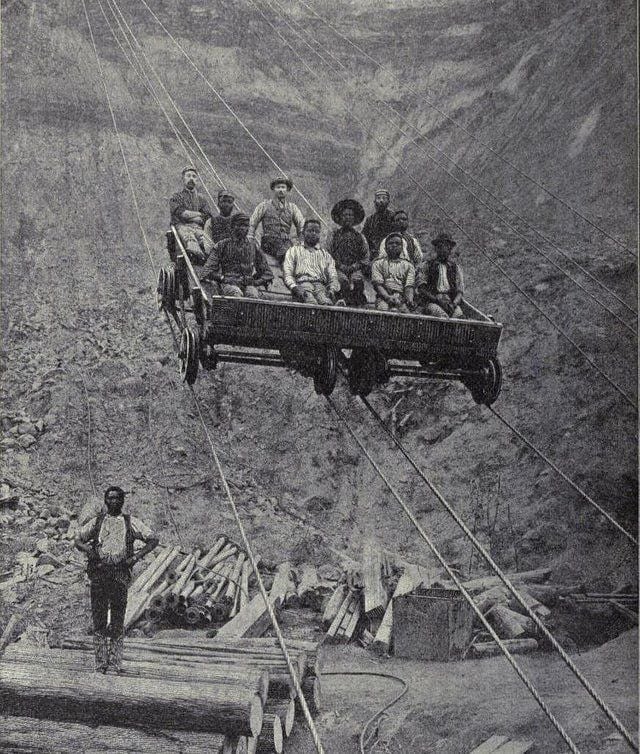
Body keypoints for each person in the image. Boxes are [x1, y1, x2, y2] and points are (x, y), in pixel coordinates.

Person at [75, 486, 159, 673]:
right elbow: (78, 539)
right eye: (110, 498)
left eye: (117, 498)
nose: (113, 501)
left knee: (118, 619)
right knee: (99, 619)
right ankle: (100, 663)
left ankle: (114, 663)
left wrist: (135, 558)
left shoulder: (131, 522)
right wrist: (88, 550)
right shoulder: (97, 522)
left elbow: (153, 539)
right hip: (99, 574)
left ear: (122, 501)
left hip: (120, 575)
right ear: (105, 501)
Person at [199, 212, 273, 298]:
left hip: (247, 285)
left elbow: (267, 273)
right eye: (239, 225)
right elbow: (207, 271)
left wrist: (255, 282)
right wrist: (224, 278)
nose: (242, 228)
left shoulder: (253, 247)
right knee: (235, 293)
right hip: (228, 284)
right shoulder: (222, 245)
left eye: (245, 226)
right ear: (232, 227)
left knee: (253, 295)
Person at [283, 218, 340, 305]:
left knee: (326, 303)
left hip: (320, 286)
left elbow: (333, 275)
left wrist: (332, 289)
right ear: (303, 233)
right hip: (302, 285)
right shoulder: (294, 251)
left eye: (316, 231)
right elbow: (287, 273)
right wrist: (294, 287)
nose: (313, 234)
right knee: (310, 303)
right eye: (310, 231)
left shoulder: (325, 255)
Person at [248, 176, 305, 264]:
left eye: (283, 187)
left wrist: (302, 241)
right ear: (273, 189)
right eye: (278, 187)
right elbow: (252, 223)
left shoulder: (293, 208)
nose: (281, 190)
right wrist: (250, 238)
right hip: (269, 241)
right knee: (287, 254)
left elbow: (301, 225)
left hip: (286, 242)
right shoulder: (264, 206)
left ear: (287, 190)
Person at [327, 199, 369, 307]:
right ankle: (341, 300)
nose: (348, 217)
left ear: (354, 218)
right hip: (338, 267)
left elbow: (365, 255)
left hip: (355, 268)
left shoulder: (360, 237)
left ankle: (357, 303)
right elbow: (328, 253)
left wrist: (356, 266)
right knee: (342, 281)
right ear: (340, 218)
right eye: (345, 215)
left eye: (350, 215)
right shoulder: (333, 235)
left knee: (357, 280)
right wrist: (339, 265)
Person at [169, 166, 214, 264]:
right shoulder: (176, 197)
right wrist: (199, 215)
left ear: (197, 180)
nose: (191, 179)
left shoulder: (202, 199)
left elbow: (207, 217)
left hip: (199, 228)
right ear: (183, 179)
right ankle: (196, 256)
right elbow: (182, 214)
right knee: (191, 242)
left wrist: (191, 216)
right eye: (188, 176)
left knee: (209, 244)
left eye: (194, 176)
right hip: (182, 227)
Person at [416, 232, 465, 318]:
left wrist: (453, 304)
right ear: (436, 248)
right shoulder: (427, 265)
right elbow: (421, 288)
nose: (446, 249)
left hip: (450, 302)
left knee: (460, 317)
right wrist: (437, 300)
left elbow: (460, 291)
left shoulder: (455, 268)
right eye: (442, 246)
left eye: (448, 247)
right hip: (432, 301)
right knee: (442, 317)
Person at [371, 233, 415, 312]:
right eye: (391, 243)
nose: (394, 245)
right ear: (385, 247)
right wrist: (388, 297)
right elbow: (378, 285)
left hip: (401, 299)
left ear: (402, 248)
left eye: (397, 243)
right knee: (383, 310)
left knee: (406, 314)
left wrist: (409, 300)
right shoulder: (378, 263)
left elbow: (409, 286)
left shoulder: (409, 266)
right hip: (384, 298)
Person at [362, 189, 395, 257]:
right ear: (374, 202)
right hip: (374, 254)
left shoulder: (394, 217)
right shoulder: (370, 220)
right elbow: (364, 237)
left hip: (392, 252)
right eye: (378, 198)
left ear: (388, 201)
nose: (381, 201)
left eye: (384, 198)